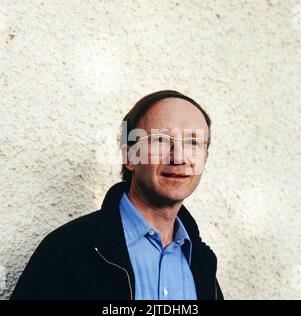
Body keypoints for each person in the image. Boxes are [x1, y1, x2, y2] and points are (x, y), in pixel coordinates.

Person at [11, 90, 223, 300]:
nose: (178, 157)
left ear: (204, 158)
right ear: (129, 156)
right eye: (160, 139)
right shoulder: (67, 250)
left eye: (193, 142)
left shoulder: (202, 263)